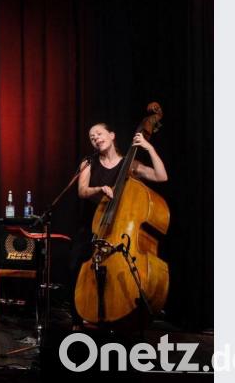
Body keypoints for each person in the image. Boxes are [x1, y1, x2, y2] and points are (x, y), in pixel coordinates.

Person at [69, 123, 168, 329]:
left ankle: (120, 317)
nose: (95, 137)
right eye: (91, 136)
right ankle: (78, 322)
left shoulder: (129, 164)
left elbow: (161, 176)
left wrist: (149, 148)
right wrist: (100, 189)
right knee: (75, 266)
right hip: (92, 226)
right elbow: (82, 191)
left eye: (99, 133)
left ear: (112, 135)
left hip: (119, 230)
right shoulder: (88, 163)